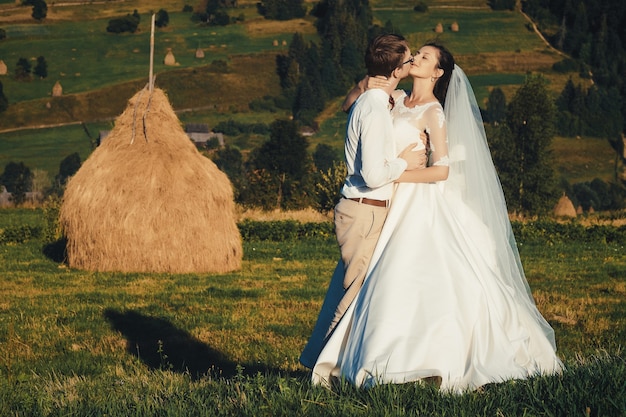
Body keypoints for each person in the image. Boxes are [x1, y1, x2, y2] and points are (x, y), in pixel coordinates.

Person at [306, 41, 564, 392]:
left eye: (424, 57)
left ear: (437, 72)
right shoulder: (393, 99)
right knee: (365, 279)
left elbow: (440, 170)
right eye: (416, 54)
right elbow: (350, 106)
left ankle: (413, 356)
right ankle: (353, 356)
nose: (416, 59)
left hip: (412, 199)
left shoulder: (433, 112)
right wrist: (363, 85)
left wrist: (395, 173)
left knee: (409, 275)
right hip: (383, 199)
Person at [298, 34, 426, 369]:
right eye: (409, 59)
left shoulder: (374, 99)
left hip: (365, 211)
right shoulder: (373, 109)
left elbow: (349, 102)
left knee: (348, 291)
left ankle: (321, 361)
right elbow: (372, 173)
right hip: (363, 211)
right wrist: (404, 162)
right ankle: (324, 370)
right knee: (353, 295)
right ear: (397, 70)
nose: (413, 63)